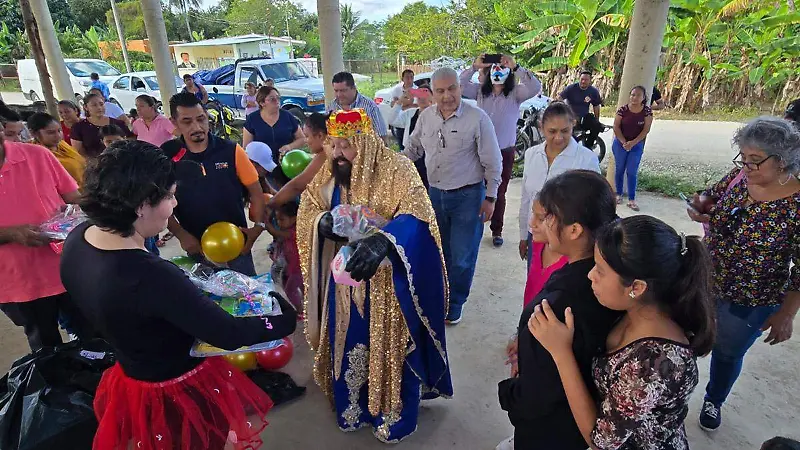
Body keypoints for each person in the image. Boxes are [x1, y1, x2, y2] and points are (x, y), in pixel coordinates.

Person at [60, 141, 297, 450]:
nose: (174, 205)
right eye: (170, 196)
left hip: (133, 374)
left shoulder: (78, 240)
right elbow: (226, 333)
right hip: (176, 389)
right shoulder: (149, 275)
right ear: (142, 205)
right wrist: (282, 320)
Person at [296, 108, 452, 442]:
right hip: (346, 284)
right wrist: (320, 223)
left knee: (391, 349)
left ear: (366, 143)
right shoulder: (330, 170)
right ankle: (353, 407)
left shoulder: (398, 168)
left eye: (347, 145)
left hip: (388, 288)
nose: (338, 154)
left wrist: (383, 242)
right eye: (333, 145)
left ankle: (393, 412)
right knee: (351, 343)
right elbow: (309, 206)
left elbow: (420, 216)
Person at [528, 215, 715, 450]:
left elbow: (600, 442)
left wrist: (560, 352)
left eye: (600, 271)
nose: (590, 275)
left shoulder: (654, 365)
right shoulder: (638, 309)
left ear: (637, 287)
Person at [686, 116, 800, 432]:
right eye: (743, 158)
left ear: (783, 161)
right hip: (706, 280)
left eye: (755, 161)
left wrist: (787, 314)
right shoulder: (740, 178)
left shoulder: (796, 204)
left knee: (726, 352)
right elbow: (708, 196)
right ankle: (675, 390)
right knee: (687, 338)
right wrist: (698, 206)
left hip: (752, 298)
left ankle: (714, 399)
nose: (746, 167)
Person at [497, 170, 622, 450]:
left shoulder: (560, 303)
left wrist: (510, 393)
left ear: (575, 230)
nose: (539, 224)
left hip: (552, 429)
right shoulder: (605, 276)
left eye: (547, 218)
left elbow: (540, 393)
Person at [402, 67, 502, 324]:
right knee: (439, 253)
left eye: (452, 89)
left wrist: (490, 198)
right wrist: (390, 164)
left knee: (461, 257)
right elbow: (413, 149)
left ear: (460, 87)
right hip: (435, 196)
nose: (447, 96)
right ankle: (441, 297)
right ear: (432, 93)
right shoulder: (426, 117)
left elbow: (493, 162)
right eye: (440, 91)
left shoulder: (477, 119)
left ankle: (456, 302)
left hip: (468, 199)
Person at [0, 119, 91, 351]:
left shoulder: (37, 156)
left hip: (68, 267)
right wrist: (10, 234)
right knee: (45, 347)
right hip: (17, 280)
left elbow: (75, 199)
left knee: (95, 335)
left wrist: (76, 217)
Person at [161, 92, 266, 276]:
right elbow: (159, 201)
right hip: (197, 248)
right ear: (174, 122)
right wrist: (180, 234)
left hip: (237, 244)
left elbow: (256, 192)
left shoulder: (232, 150)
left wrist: (257, 227)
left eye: (201, 119)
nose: (197, 127)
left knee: (249, 298)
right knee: (207, 301)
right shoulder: (168, 157)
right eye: (187, 121)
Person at [461, 53, 541, 247]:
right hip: (479, 151)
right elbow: (460, 84)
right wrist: (474, 66)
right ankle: (475, 228)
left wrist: (516, 67)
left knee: (499, 191)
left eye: (502, 67)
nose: (498, 70)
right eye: (494, 68)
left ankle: (497, 230)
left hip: (505, 151)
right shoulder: (480, 92)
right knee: (476, 189)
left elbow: (535, 86)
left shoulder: (516, 94)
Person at [518, 102, 600, 268]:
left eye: (565, 131)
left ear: (573, 125)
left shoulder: (586, 159)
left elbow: (595, 205)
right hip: (537, 234)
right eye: (552, 131)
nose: (558, 137)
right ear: (541, 128)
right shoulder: (531, 155)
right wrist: (523, 235)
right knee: (535, 286)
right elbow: (526, 199)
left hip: (568, 241)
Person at [242, 86, 306, 187]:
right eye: (272, 99)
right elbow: (247, 147)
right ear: (262, 103)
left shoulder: (287, 116)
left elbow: (302, 139)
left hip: (288, 165)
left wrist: (289, 147)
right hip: (264, 170)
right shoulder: (252, 119)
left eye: (278, 98)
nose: (277, 101)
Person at [266, 112, 329, 208]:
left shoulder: (325, 154)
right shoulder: (322, 154)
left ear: (320, 136)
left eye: (307, 136)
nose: (306, 141)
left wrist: (271, 204)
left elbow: (297, 186)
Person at [611, 85, 654, 211]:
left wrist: (633, 143)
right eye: (632, 95)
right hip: (620, 143)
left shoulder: (647, 111)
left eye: (638, 95)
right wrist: (624, 141)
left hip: (636, 145)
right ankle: (618, 194)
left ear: (643, 97)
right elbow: (616, 126)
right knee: (619, 169)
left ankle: (632, 199)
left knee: (632, 171)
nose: (634, 98)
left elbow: (646, 130)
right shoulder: (623, 110)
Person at [27, 112, 86, 188]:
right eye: (51, 133)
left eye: (59, 131)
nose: (58, 136)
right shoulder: (35, 155)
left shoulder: (61, 144)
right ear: (33, 133)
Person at [264, 200, 303, 313]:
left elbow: (278, 234)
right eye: (277, 219)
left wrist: (267, 224)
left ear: (294, 218)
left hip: (298, 269)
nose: (279, 223)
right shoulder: (287, 228)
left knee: (290, 290)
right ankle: (306, 307)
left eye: (282, 220)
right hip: (291, 267)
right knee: (300, 287)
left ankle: (300, 311)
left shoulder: (295, 231)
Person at [330, 71, 389, 142]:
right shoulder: (331, 107)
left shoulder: (369, 106)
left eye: (343, 91)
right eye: (336, 91)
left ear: (354, 88)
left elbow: (382, 136)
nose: (339, 95)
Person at [392, 86, 432, 187]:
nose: (422, 98)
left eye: (425, 94)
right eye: (419, 95)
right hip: (412, 158)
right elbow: (391, 120)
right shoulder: (410, 114)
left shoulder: (436, 115)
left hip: (430, 162)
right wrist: (400, 102)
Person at [71, 93, 132, 159]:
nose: (99, 108)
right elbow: (79, 151)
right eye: (94, 105)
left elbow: (130, 141)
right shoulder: (78, 127)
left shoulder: (119, 123)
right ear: (86, 107)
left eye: (101, 104)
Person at [558, 71, 603, 148]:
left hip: (584, 116)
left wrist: (597, 119)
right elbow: (559, 98)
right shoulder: (571, 88)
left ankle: (588, 147)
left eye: (586, 80)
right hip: (570, 117)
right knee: (568, 135)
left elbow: (596, 106)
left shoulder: (593, 91)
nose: (583, 81)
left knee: (597, 126)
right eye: (582, 79)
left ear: (590, 81)